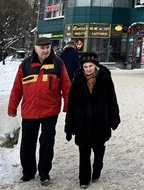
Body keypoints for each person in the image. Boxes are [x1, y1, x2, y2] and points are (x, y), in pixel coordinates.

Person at [8, 37, 71, 185]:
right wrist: (12, 108)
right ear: (35, 48)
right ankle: (28, 172)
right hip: (29, 110)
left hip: (50, 111)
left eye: (48, 47)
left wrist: (68, 107)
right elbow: (17, 88)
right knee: (27, 144)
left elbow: (67, 87)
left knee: (47, 144)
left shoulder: (58, 63)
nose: (45, 50)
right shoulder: (25, 64)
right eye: (42, 48)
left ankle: (44, 173)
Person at [65, 52, 121, 188]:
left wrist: (114, 118)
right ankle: (84, 179)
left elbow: (112, 99)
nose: (88, 69)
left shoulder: (105, 79)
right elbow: (72, 104)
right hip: (82, 122)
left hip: (100, 121)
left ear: (95, 65)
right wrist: (69, 126)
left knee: (98, 149)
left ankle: (97, 169)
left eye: (90, 66)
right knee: (83, 152)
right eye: (85, 66)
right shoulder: (77, 80)